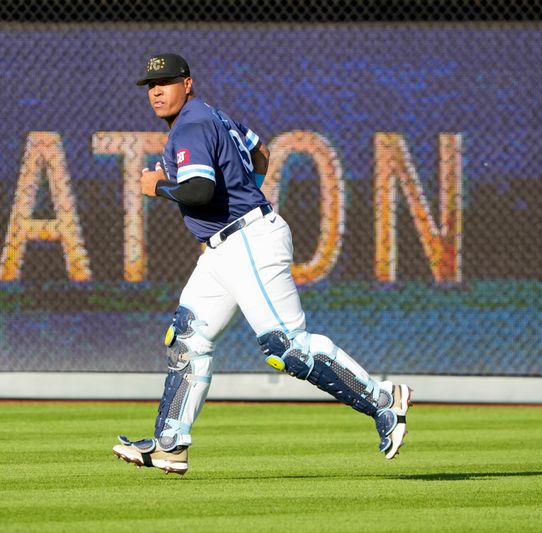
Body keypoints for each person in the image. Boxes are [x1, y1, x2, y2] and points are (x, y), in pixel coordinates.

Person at [112, 53, 412, 475]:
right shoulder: (213, 117)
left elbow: (198, 191)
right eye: (151, 85)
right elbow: (262, 153)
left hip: (246, 239)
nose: (157, 91)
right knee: (188, 338)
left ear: (188, 83)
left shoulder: (191, 126)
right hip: (226, 244)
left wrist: (157, 186)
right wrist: (242, 190)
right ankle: (170, 444)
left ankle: (384, 399)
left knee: (287, 348)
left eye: (166, 82)